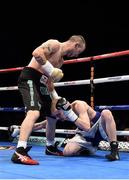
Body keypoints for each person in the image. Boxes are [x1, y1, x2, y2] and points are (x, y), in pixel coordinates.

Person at [11, 35, 86, 165]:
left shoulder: (61, 62)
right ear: (76, 45)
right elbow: (37, 53)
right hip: (30, 77)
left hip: (42, 84)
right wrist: (51, 69)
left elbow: (50, 84)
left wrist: (56, 101)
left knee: (53, 116)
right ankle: (19, 151)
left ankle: (50, 147)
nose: (76, 55)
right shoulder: (55, 44)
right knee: (34, 112)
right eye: (78, 52)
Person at [55, 98, 120, 161]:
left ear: (64, 108)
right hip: (86, 135)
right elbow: (48, 122)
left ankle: (114, 151)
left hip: (99, 126)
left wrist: (69, 113)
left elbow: (87, 127)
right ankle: (89, 149)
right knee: (67, 152)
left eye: (58, 114)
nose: (58, 118)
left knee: (106, 113)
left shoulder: (78, 105)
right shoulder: (64, 114)